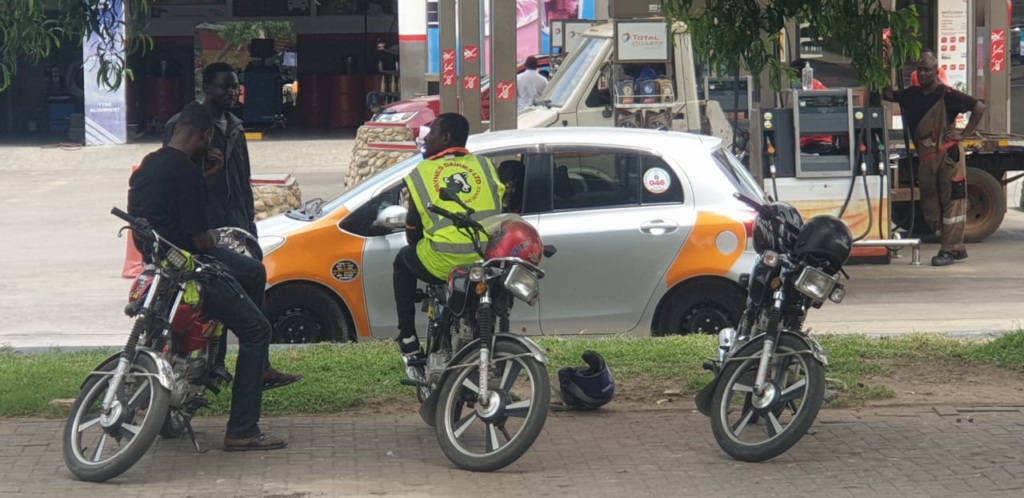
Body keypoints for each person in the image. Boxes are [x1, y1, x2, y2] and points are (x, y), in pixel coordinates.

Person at [129, 103, 286, 451]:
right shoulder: (186, 174)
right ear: (202, 136)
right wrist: (214, 235)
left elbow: (161, 212)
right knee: (257, 330)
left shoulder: (148, 166)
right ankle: (243, 428)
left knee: (253, 271)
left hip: (158, 264)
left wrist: (207, 177)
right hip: (192, 269)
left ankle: (215, 357)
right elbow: (201, 239)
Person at [164, 62, 302, 391]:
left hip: (235, 225)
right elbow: (176, 174)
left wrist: (249, 225)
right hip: (203, 230)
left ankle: (257, 365)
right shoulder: (183, 126)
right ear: (206, 88)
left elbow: (243, 182)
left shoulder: (236, 126)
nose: (232, 92)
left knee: (246, 287)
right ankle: (208, 366)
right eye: (224, 86)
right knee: (211, 301)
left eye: (235, 86)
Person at [393, 113, 506, 362]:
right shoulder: (486, 166)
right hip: (485, 258)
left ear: (445, 138)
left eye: (431, 133)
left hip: (442, 260)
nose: (426, 139)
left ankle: (408, 336)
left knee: (402, 261)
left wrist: (420, 238)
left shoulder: (422, 171)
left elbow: (413, 229)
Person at [884, 53, 986, 266]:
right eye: (920, 69)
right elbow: (888, 94)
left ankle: (950, 248)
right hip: (926, 158)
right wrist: (888, 64)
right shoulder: (911, 94)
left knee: (953, 203)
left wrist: (963, 134)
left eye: (928, 70)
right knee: (930, 205)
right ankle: (952, 245)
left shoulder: (947, 95)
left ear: (936, 72)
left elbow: (979, 107)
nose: (923, 73)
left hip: (948, 156)